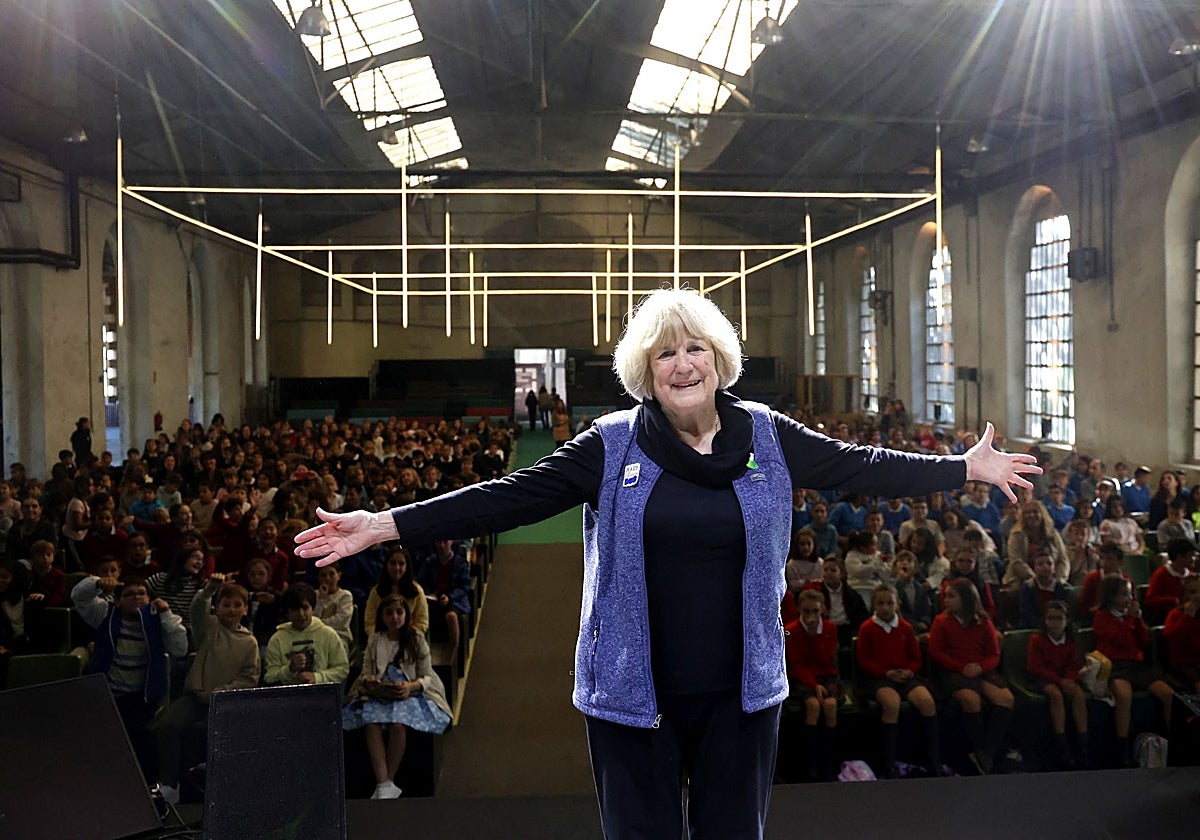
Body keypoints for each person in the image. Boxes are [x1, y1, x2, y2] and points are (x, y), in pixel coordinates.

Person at [294, 289, 1038, 838]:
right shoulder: (610, 445)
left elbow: (861, 465)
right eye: (664, 353)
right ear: (643, 372)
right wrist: (384, 525)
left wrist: (961, 469)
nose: (683, 364)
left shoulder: (769, 438)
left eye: (695, 348)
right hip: (631, 694)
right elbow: (505, 500)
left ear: (720, 359)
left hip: (741, 695)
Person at [153, 576, 260, 805]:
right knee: (167, 726)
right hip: (193, 697)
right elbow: (197, 609)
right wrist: (210, 588)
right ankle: (169, 785)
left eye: (237, 605)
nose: (231, 609)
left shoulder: (249, 642)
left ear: (245, 609)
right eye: (226, 604)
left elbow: (248, 679)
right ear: (217, 608)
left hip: (225, 703)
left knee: (209, 737)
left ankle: (218, 791)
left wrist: (217, 692)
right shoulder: (210, 627)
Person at [343, 594, 452, 800]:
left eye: (399, 612)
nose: (395, 617)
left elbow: (427, 675)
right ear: (382, 617)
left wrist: (411, 686)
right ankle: (383, 782)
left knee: (398, 724)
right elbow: (366, 671)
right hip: (382, 692)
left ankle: (388, 781)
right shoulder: (376, 639)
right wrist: (370, 680)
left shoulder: (416, 638)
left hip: (409, 692)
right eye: (389, 613)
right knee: (371, 723)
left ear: (406, 615)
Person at [74, 574, 189, 767]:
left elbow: (180, 649)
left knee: (138, 737)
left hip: (141, 697)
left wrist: (167, 615)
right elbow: (79, 597)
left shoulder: (158, 620)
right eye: (129, 595)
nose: (136, 597)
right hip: (108, 694)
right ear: (118, 602)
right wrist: (97, 583)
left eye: (141, 594)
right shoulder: (105, 614)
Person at [928, 577, 1013, 775]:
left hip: (980, 670)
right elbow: (936, 652)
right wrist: (961, 667)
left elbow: (994, 653)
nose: (946, 600)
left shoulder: (983, 621)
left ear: (966, 598)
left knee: (1006, 699)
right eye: (945, 596)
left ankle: (986, 752)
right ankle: (979, 749)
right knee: (971, 700)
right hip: (953, 671)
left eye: (951, 596)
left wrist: (980, 668)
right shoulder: (941, 621)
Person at [855, 583, 940, 778]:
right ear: (874, 605)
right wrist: (886, 673)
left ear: (897, 605)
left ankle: (933, 760)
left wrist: (909, 671)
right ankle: (888, 764)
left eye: (889, 603)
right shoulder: (867, 628)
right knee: (891, 704)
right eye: (881, 603)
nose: (885, 607)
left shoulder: (906, 627)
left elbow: (916, 657)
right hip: (879, 678)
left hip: (905, 676)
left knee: (927, 702)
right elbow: (864, 659)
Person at [1092, 575, 1174, 767]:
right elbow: (1119, 640)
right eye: (1124, 595)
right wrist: (1129, 620)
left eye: (1130, 594)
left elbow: (1143, 641)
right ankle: (1123, 747)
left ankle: (1173, 741)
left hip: (1136, 666)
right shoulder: (1102, 617)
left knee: (1168, 694)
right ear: (1111, 597)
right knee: (1124, 696)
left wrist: (1137, 621)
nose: (1129, 599)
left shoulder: (1130, 617)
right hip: (1117, 666)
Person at [783, 589, 839, 781]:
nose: (810, 616)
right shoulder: (791, 630)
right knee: (813, 705)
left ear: (822, 609)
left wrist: (815, 636)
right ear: (799, 609)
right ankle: (810, 766)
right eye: (806, 611)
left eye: (815, 611)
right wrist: (814, 685)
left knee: (830, 706)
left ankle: (828, 765)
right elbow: (797, 663)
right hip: (802, 679)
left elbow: (827, 661)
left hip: (826, 676)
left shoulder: (830, 629)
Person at [1025, 600, 1088, 768]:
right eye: (1051, 618)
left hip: (1065, 678)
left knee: (1079, 695)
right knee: (1056, 695)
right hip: (1042, 678)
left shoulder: (1071, 640)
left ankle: (1083, 742)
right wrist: (1060, 681)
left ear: (1066, 620)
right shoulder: (1037, 640)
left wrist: (1069, 679)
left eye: (1059, 618)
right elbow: (1035, 667)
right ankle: (1062, 744)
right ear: (1044, 620)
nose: (1055, 622)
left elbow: (1075, 664)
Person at [263, 583, 349, 686]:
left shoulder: (328, 634)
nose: (301, 614)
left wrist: (317, 677)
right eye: (295, 610)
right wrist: (290, 669)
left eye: (305, 608)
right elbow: (269, 678)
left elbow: (342, 669)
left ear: (312, 609)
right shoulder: (277, 640)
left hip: (321, 695)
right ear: (287, 613)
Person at [415, 539, 472, 662]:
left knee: (451, 616)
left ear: (451, 542)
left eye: (445, 542)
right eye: (438, 542)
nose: (441, 546)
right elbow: (421, 581)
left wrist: (450, 596)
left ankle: (451, 657)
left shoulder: (460, 563)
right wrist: (429, 592)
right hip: (432, 599)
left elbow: (464, 586)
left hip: (453, 600)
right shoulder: (429, 562)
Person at [364, 545, 429, 637]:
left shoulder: (417, 591)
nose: (397, 568)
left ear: (407, 566)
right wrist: (381, 639)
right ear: (386, 565)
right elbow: (369, 623)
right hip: (382, 640)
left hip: (409, 639)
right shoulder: (376, 591)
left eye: (401, 564)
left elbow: (422, 622)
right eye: (393, 563)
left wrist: (407, 637)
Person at [1143, 538, 1197, 626]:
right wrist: (1174, 601)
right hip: (1167, 618)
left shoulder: (1191, 576)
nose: (1193, 559)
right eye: (1190, 556)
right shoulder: (1161, 575)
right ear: (1180, 557)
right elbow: (1151, 601)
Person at [1163, 576, 1200, 695]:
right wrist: (1187, 618)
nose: (1198, 596)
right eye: (1193, 592)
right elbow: (1174, 642)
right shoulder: (1176, 615)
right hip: (1184, 664)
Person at [1078, 542, 1132, 620]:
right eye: (1102, 558)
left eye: (1109, 559)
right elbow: (1083, 608)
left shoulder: (1127, 579)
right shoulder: (1092, 579)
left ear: (1121, 561)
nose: (1104, 562)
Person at [1016, 553, 1070, 630]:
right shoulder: (1027, 587)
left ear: (1054, 568)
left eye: (1049, 564)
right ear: (1034, 568)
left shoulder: (1060, 587)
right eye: (1040, 564)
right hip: (1032, 626)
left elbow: (1064, 610)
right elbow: (1027, 612)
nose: (1045, 567)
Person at [316, 561, 354, 653]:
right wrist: (321, 600)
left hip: (339, 635)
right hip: (316, 635)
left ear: (339, 576)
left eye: (331, 574)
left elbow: (341, 621)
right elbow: (312, 618)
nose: (328, 578)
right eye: (323, 576)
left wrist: (317, 624)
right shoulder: (315, 595)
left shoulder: (345, 596)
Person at [891, 551, 932, 633]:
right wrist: (900, 582)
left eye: (909, 561)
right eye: (901, 560)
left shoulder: (920, 588)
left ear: (915, 568)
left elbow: (927, 608)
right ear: (895, 567)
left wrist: (924, 621)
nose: (905, 563)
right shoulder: (892, 586)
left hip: (919, 627)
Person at [784, 529, 823, 596]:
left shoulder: (819, 562)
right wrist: (806, 582)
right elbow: (793, 585)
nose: (805, 547)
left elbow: (820, 580)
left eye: (809, 544)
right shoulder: (792, 564)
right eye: (802, 544)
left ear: (814, 545)